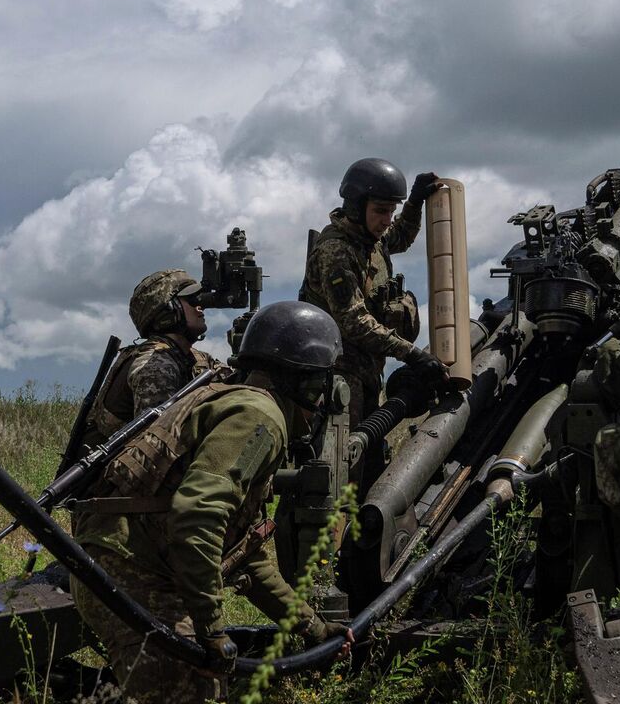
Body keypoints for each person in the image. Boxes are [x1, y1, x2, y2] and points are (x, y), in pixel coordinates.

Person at [70, 301, 352, 703]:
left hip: (116, 564)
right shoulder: (261, 419)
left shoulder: (233, 401)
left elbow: (242, 554)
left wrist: (313, 629)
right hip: (137, 574)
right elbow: (198, 516)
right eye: (318, 386)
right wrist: (211, 628)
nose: (322, 402)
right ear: (304, 381)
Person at [298, 157, 447, 428]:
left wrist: (414, 202)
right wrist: (411, 354)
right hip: (337, 374)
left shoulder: (370, 241)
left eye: (391, 211)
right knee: (350, 459)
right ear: (356, 206)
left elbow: (400, 236)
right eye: (381, 211)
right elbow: (354, 322)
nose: (387, 221)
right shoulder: (336, 251)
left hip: (365, 370)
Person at [78, 269, 217, 448]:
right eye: (192, 300)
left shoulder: (192, 358)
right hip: (121, 472)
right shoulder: (155, 365)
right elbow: (155, 446)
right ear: (167, 311)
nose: (201, 306)